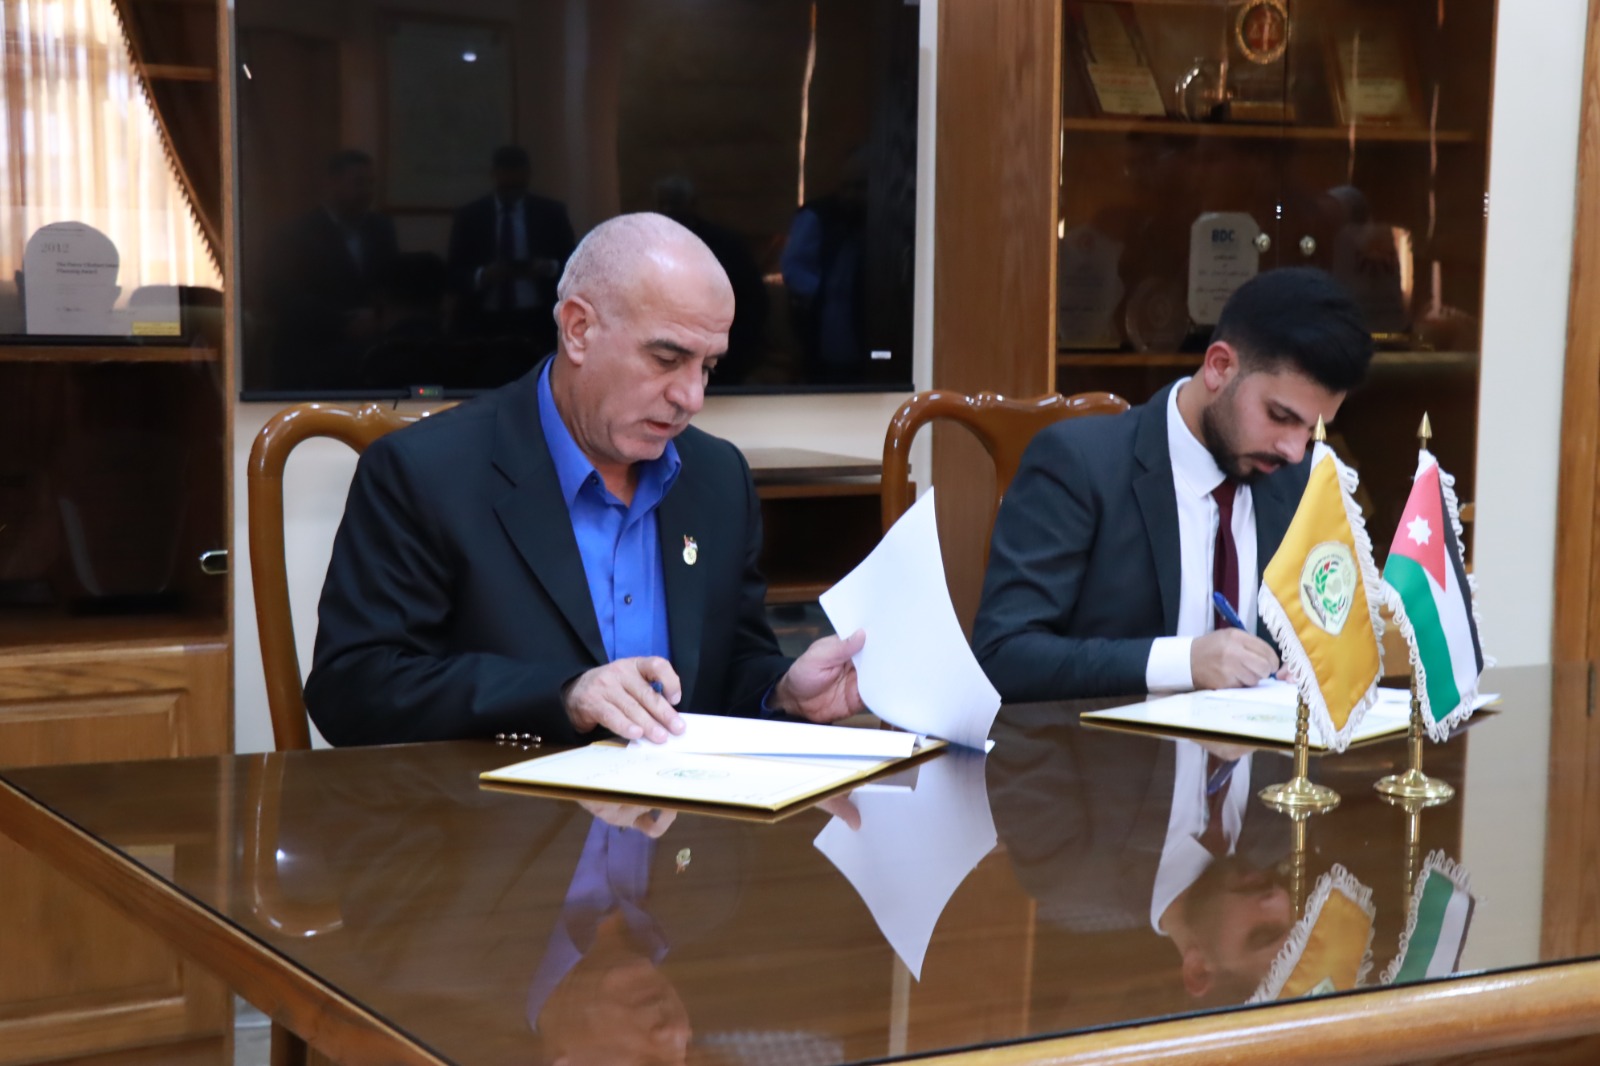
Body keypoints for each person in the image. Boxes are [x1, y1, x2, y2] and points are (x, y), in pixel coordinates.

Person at [305, 212, 866, 746]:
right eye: (667, 358)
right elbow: (353, 689)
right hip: (497, 812)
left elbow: (729, 669)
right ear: (578, 330)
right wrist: (564, 697)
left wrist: (782, 691)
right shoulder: (424, 473)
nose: (691, 396)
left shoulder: (718, 478)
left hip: (677, 811)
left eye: (708, 367)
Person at [972, 267, 1373, 701]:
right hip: (1105, 743)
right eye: (1280, 416)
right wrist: (1184, 662)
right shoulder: (1079, 465)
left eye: (1312, 429)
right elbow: (1003, 658)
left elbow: (1328, 638)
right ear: (1219, 367)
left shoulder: (1304, 483)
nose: (1294, 450)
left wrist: (1311, 668)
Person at [264, 149, 397, 389]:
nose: (367, 191)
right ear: (332, 183)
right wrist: (343, 322)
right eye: (359, 183)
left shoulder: (381, 229)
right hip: (312, 357)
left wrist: (378, 316)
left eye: (371, 183)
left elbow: (392, 283)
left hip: (369, 361)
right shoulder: (296, 234)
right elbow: (279, 295)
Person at [446, 144, 575, 355]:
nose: (512, 182)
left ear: (528, 175)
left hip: (537, 320)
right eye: (507, 176)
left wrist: (548, 268)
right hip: (482, 321)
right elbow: (453, 274)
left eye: (518, 177)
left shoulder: (551, 214)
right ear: (494, 175)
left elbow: (573, 265)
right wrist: (483, 275)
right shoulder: (470, 217)